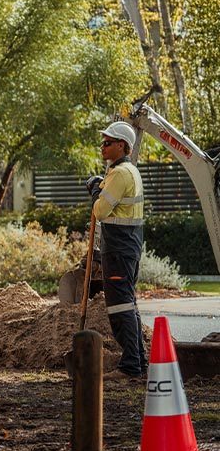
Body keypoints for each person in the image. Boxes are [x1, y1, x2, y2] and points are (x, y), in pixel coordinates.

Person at [85, 120, 147, 381]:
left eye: (107, 143)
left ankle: (131, 365)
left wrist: (94, 192)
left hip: (119, 249)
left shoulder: (120, 174)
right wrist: (102, 187)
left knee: (120, 307)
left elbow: (101, 211)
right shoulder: (127, 171)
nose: (103, 146)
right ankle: (139, 361)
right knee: (128, 305)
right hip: (127, 246)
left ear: (122, 146)